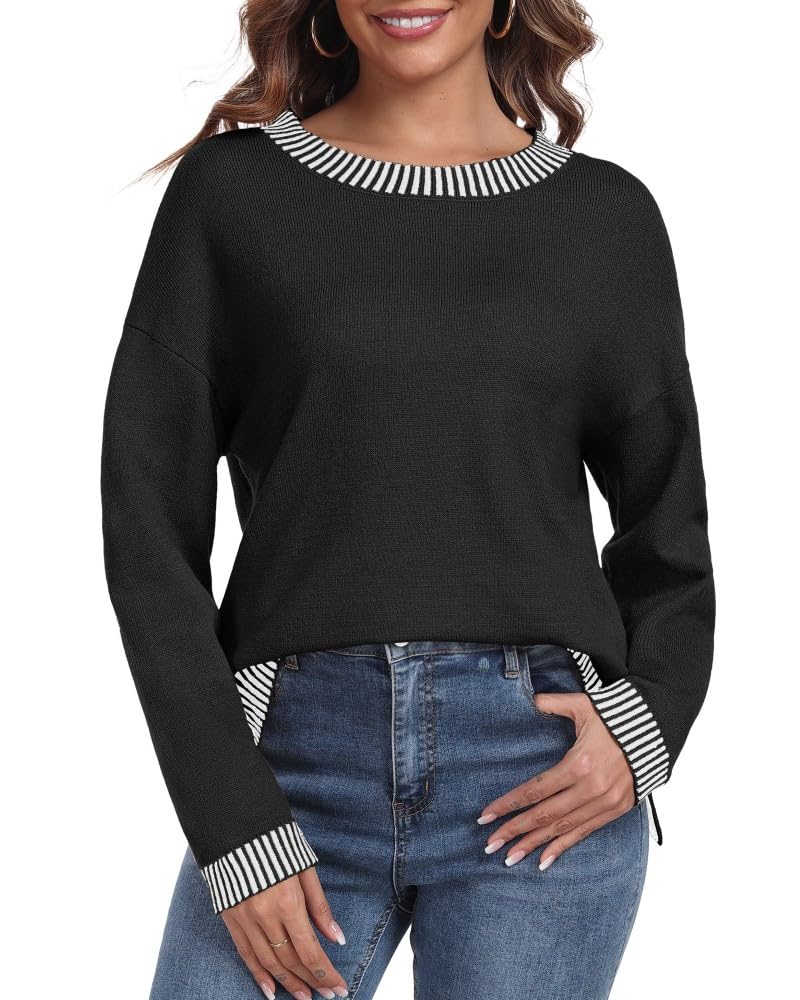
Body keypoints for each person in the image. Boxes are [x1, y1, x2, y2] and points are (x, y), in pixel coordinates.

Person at [100, 1, 715, 997]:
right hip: (290, 771)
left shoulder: (606, 220)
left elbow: (668, 531)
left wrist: (640, 734)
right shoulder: (232, 197)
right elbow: (145, 524)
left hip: (540, 778)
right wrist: (232, 821)